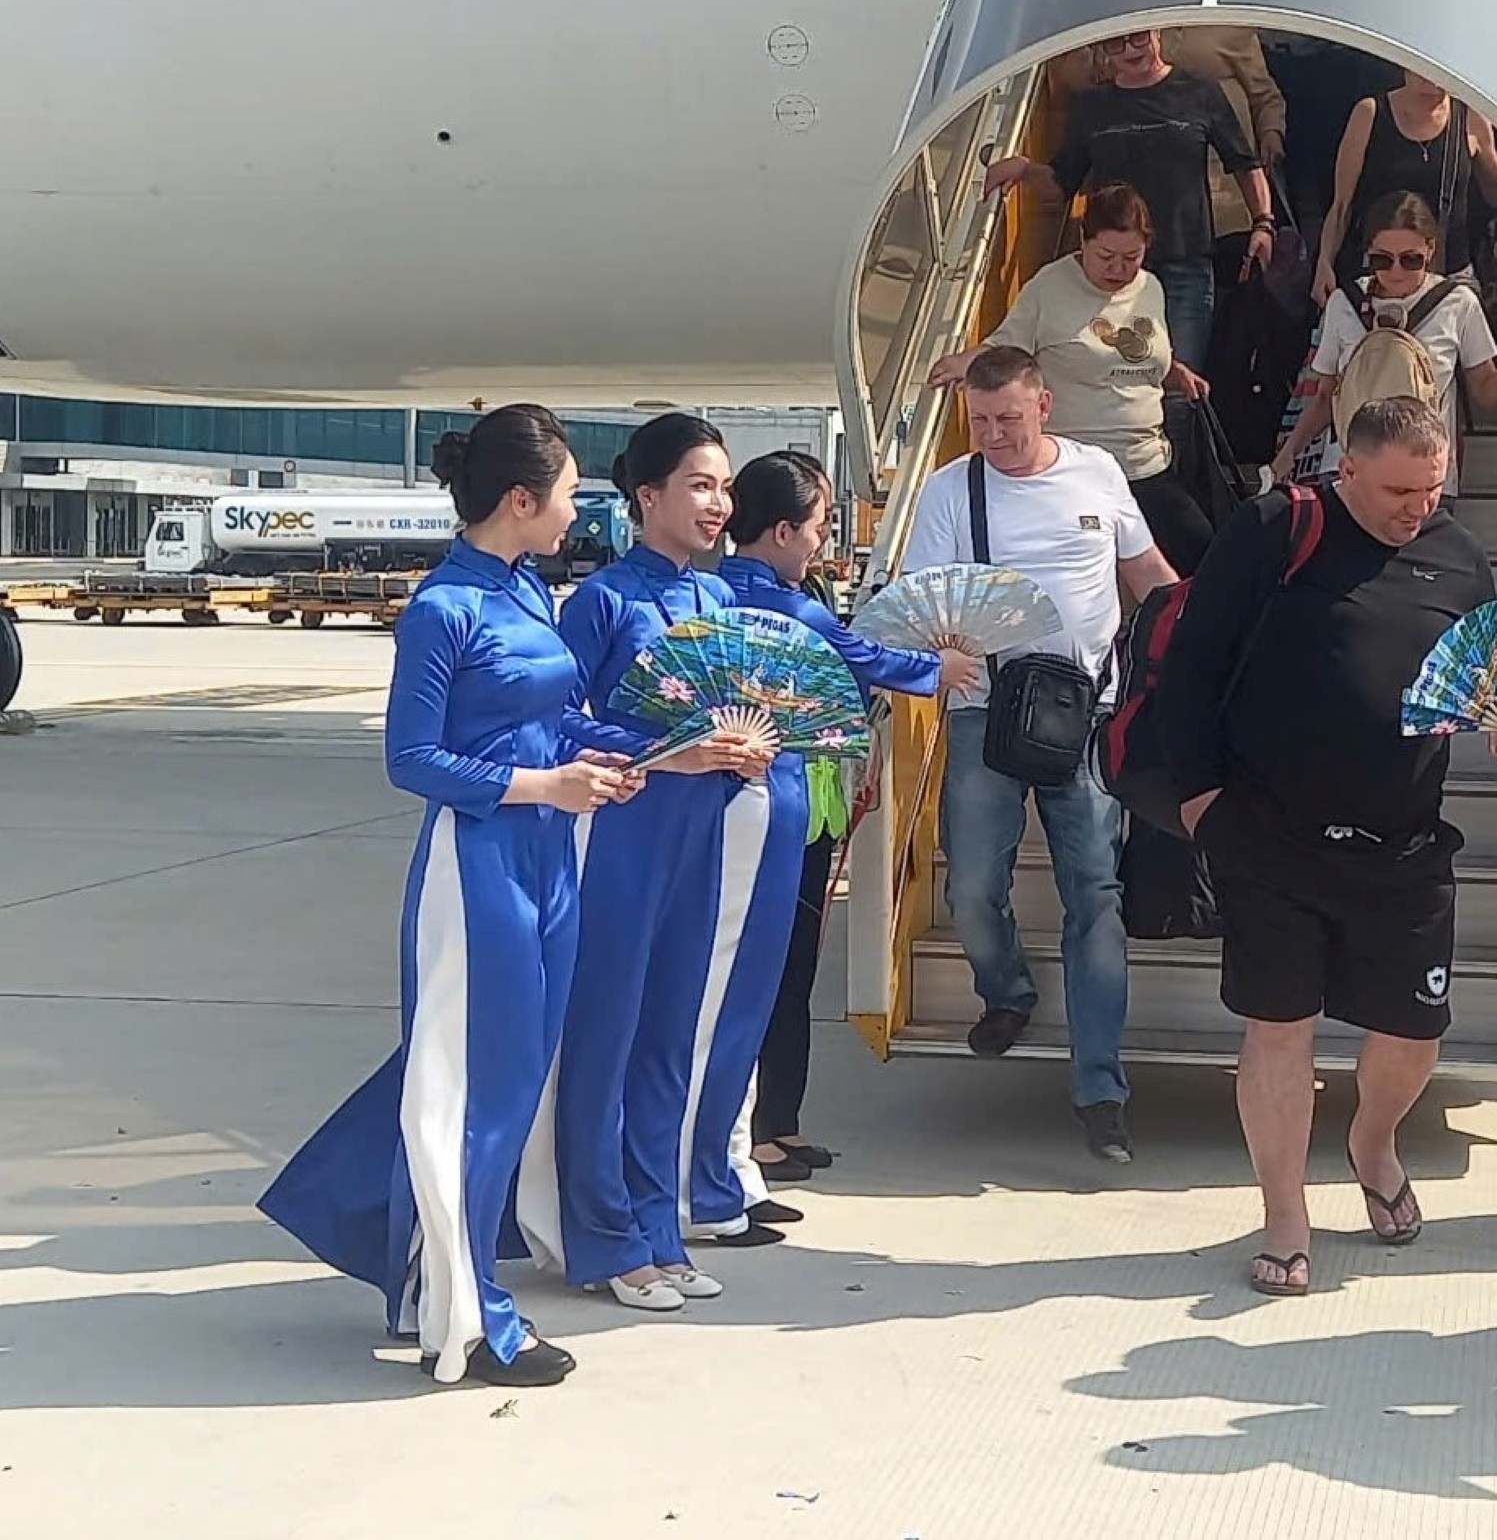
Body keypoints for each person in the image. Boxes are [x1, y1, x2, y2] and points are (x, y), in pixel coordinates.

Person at [259, 405, 641, 1389]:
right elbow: (412, 758)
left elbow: (558, 715)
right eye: (568, 496)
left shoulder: (528, 591)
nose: (576, 513)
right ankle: (472, 1323)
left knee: (507, 1087)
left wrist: (646, 752)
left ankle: (434, 1278)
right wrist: (543, 785)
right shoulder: (444, 608)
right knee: (477, 1094)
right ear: (520, 499)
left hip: (546, 857)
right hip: (477, 869)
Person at [1156, 397, 1497, 1296]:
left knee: (1414, 1031)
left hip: (1404, 838)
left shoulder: (1458, 552)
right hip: (1269, 831)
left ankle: (1372, 1143)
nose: (1419, 507)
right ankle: (1285, 1217)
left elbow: (1491, 674)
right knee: (1277, 1027)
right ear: (1349, 471)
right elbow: (1192, 663)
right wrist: (1200, 802)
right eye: (1399, 492)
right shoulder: (1276, 529)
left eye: (1432, 489)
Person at [905, 345, 1177, 1163]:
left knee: (1095, 894)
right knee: (971, 886)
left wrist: (1193, 640)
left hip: (1087, 715)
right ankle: (1006, 990)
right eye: (980, 421)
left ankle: (1102, 1089)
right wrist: (940, 647)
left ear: (1044, 406)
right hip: (986, 713)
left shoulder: (1098, 474)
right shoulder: (950, 490)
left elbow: (1148, 574)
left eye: (1008, 420)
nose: (993, 435)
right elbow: (921, 600)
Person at [534, 415, 777, 1313]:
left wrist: (747, 750)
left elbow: (737, 710)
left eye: (725, 487)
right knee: (608, 1037)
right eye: (700, 485)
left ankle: (657, 1227)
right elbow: (555, 720)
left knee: (672, 1036)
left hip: (699, 836)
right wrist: (662, 754)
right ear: (647, 496)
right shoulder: (602, 601)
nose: (719, 504)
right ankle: (604, 1239)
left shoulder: (716, 599)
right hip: (621, 839)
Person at [719, 452, 977, 1190]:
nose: (824, 539)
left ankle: (776, 1122)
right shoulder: (793, 610)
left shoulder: (716, 594)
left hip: (752, 806)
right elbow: (863, 657)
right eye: (820, 525)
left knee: (765, 967)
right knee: (783, 966)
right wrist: (939, 671)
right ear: (781, 531)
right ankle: (765, 1129)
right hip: (790, 806)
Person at [928, 183, 1220, 573]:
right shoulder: (1048, 287)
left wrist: (1174, 372)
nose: (1118, 269)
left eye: (1131, 258)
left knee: (1204, 557)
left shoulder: (1150, 287)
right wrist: (963, 361)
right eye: (1106, 257)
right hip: (1080, 470)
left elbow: (1141, 356)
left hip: (1146, 462)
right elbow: (1007, 344)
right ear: (1083, 241)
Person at [983, 28, 1277, 371]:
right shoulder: (1093, 106)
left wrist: (1263, 222)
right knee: (1121, 376)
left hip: (1185, 266)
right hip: (1114, 269)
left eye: (1138, 38)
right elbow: (1061, 182)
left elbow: (1244, 163)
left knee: (1181, 383)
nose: (1129, 50)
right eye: (1115, 43)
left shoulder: (1199, 91)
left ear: (1156, 33)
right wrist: (1023, 169)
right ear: (1103, 50)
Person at [1270, 193, 1497, 485]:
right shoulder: (1343, 302)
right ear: (1368, 253)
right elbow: (1324, 397)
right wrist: (1288, 453)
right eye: (1382, 260)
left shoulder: (1458, 303)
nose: (1396, 271)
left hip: (1425, 477)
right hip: (1352, 474)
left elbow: (1484, 390)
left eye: (1411, 260)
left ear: (1430, 250)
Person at [1312, 68, 1497, 308]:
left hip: (1448, 277)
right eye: (1424, 74)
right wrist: (1324, 262)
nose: (1433, 85)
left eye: (1442, 76)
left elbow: (1494, 192)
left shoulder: (1470, 117)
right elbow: (1342, 205)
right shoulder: (1370, 113)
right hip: (1382, 273)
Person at [1049, 25, 1287, 248]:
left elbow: (1263, 96)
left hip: (1215, 189)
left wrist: (1270, 132)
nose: (1130, 48)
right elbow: (1074, 82)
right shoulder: (1122, 29)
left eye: (1140, 38)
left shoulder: (1227, 31)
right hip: (1131, 209)